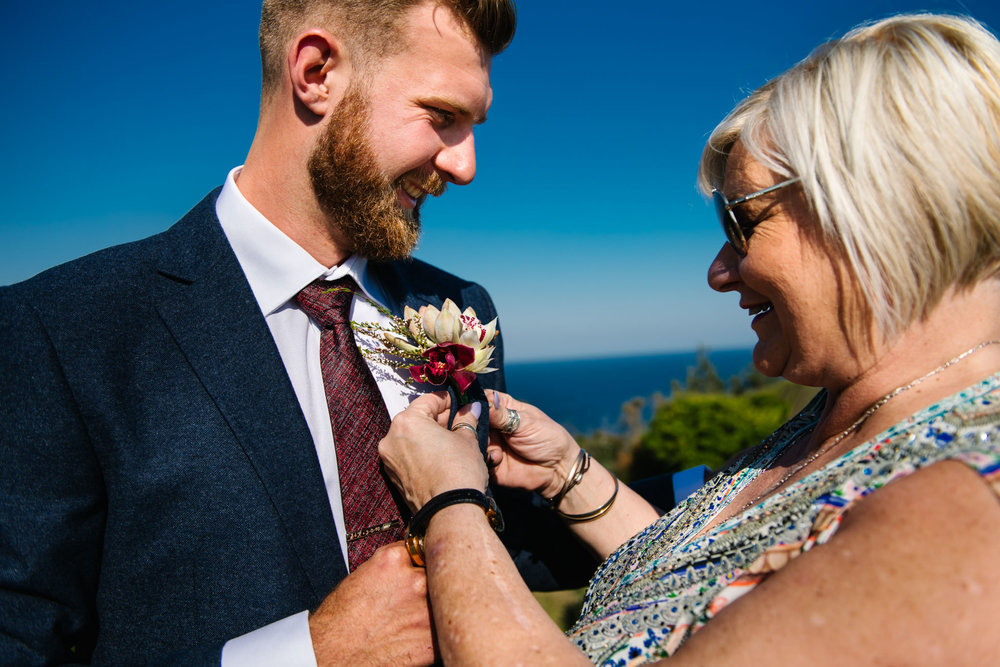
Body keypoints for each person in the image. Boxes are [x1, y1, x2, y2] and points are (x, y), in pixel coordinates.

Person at [379, 12, 1000, 665]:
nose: (718, 270)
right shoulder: (839, 414)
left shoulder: (962, 512)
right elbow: (708, 583)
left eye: (741, 223)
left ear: (875, 207)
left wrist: (449, 505)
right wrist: (568, 472)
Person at [0, 1, 598, 665]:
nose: (465, 166)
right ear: (316, 72)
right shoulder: (60, 328)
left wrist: (721, 498)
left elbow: (499, 541)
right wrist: (310, 654)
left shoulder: (460, 307)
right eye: (442, 116)